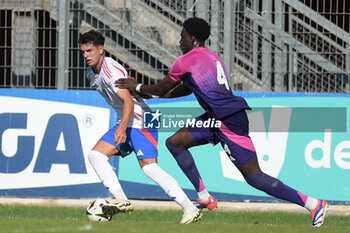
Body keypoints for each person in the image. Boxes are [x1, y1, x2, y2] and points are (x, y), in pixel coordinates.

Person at [115, 17, 328, 228]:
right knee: (175, 142)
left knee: (255, 177)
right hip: (215, 118)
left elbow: (162, 87)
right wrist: (152, 95)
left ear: (192, 38)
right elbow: (186, 88)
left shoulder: (186, 60)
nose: (180, 42)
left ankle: (313, 204)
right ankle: (203, 196)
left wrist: (139, 86)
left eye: (181, 37)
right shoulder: (212, 58)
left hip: (228, 121)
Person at [78, 30, 202, 224]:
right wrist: (122, 126)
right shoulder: (90, 73)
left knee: (150, 168)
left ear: (101, 49)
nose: (86, 55)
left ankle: (190, 209)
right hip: (127, 120)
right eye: (83, 51)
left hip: (142, 118)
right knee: (96, 155)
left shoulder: (110, 70)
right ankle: (122, 200)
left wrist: (121, 129)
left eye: (90, 50)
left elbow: (127, 101)